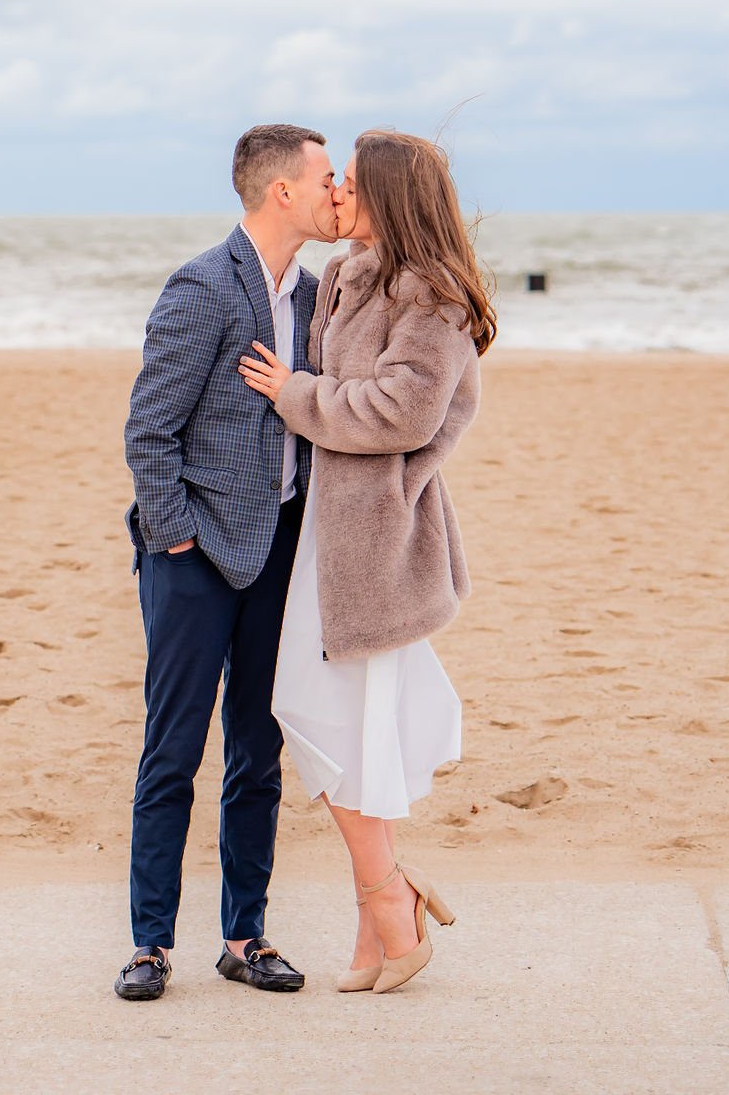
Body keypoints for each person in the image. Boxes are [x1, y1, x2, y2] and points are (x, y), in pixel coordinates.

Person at [238, 128, 495, 995]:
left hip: (379, 540)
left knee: (340, 718)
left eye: (350, 181)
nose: (336, 192)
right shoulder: (349, 276)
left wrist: (293, 394)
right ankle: (382, 916)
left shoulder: (437, 297)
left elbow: (402, 413)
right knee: (337, 721)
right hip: (327, 528)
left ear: (389, 194)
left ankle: (387, 900)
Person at [115, 123, 338, 1001]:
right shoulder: (202, 286)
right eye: (325, 177)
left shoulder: (320, 297)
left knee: (258, 748)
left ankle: (244, 936)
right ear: (281, 190)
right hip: (194, 557)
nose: (335, 190)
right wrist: (174, 538)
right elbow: (148, 429)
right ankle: (148, 944)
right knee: (172, 750)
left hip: (280, 552)